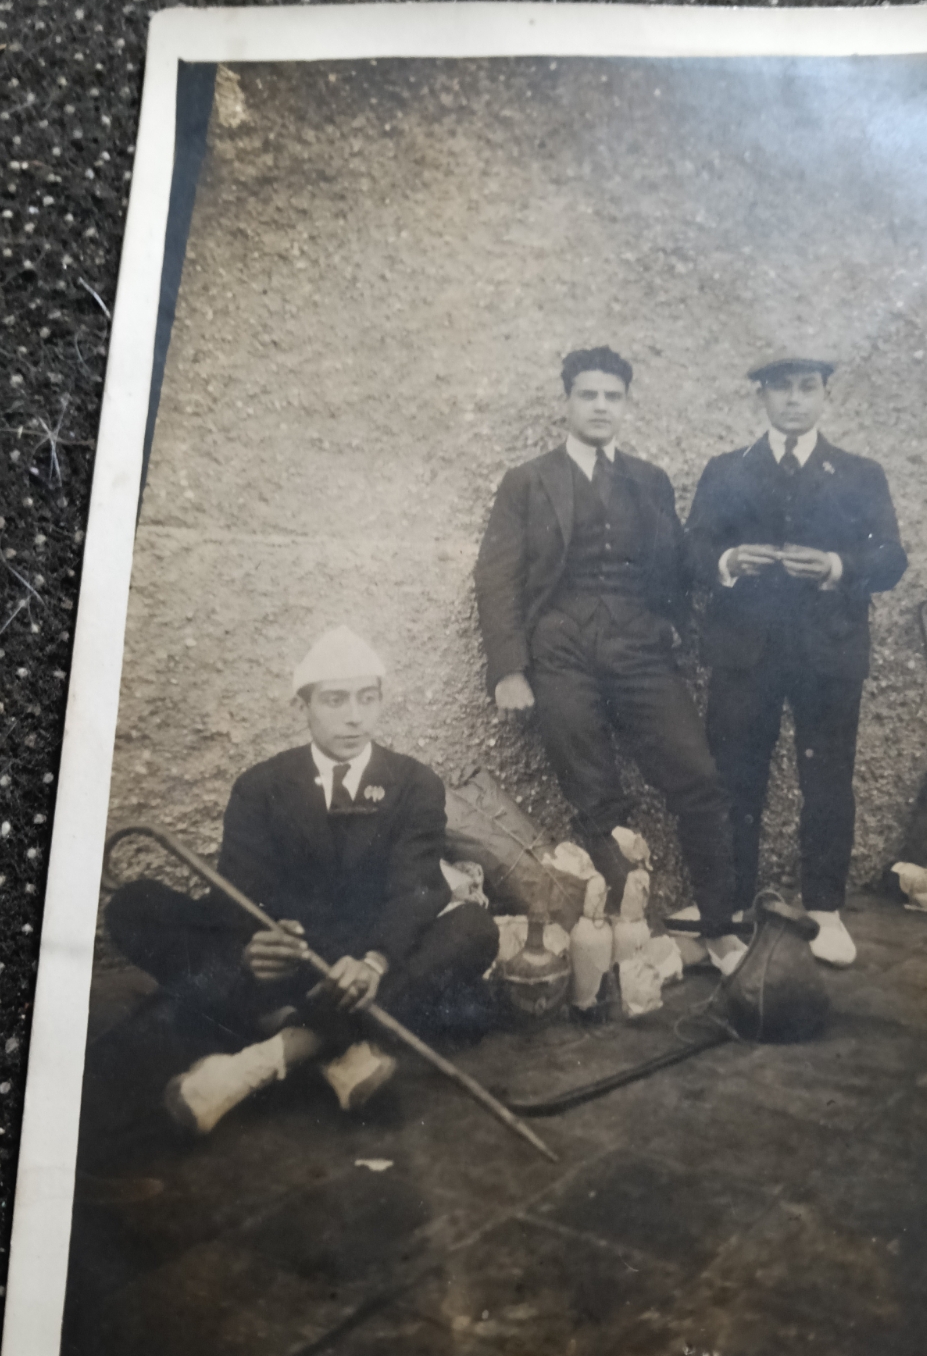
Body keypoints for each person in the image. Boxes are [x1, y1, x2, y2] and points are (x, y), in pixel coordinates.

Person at [104, 626, 500, 1133]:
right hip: (285, 961)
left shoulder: (415, 784)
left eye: (367, 698)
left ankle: (272, 1053)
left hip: (361, 961)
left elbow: (416, 888)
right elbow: (240, 890)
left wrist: (375, 960)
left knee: (473, 928)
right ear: (304, 707)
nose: (354, 716)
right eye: (334, 700)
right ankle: (341, 1047)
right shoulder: (261, 785)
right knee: (134, 904)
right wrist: (254, 947)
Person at [473, 346, 737, 948]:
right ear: (567, 402)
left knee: (698, 778)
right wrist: (509, 670)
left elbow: (674, 563)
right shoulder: (528, 481)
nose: (599, 406)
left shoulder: (649, 480)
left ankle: (721, 927)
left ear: (625, 404)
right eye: (588, 395)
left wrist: (678, 616)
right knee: (596, 796)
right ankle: (625, 934)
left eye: (611, 396)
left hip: (638, 648)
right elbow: (496, 576)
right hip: (561, 651)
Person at [685, 356, 908, 966]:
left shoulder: (861, 474)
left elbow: (891, 557)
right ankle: (731, 908)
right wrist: (729, 560)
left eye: (807, 388)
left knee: (828, 780)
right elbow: (693, 548)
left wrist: (840, 568)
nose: (794, 400)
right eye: (781, 388)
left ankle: (825, 909)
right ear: (761, 396)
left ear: (826, 395)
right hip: (745, 651)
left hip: (827, 652)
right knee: (735, 777)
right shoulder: (727, 470)